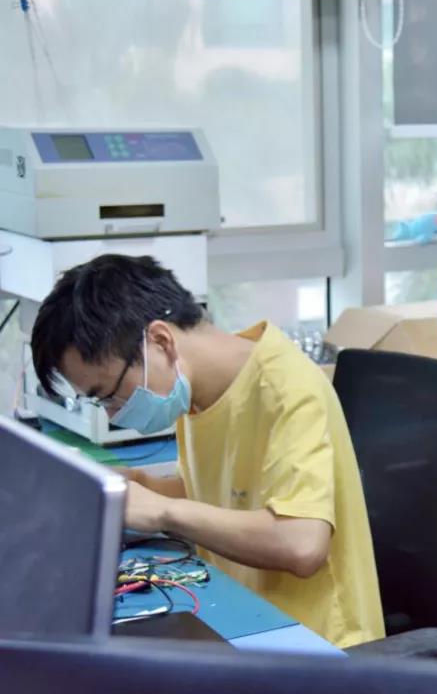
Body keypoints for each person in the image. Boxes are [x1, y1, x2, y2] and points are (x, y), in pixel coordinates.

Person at [30, 254, 384, 648]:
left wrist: (163, 510)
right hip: (242, 611)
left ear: (161, 341)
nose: (112, 415)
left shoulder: (286, 390)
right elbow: (229, 492)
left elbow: (301, 543)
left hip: (317, 642)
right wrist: (135, 484)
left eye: (108, 394)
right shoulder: (199, 391)